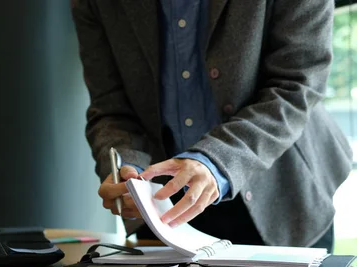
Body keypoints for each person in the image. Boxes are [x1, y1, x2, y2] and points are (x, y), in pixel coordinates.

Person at [71, 0, 353, 253]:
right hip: (164, 210)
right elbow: (110, 106)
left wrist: (214, 162)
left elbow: (296, 87)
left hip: (283, 189)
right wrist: (127, 171)